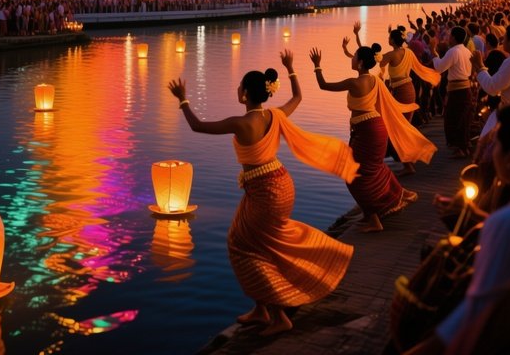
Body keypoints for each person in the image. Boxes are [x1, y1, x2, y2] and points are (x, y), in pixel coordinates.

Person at [167, 49, 358, 337]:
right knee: (250, 243)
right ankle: (261, 309)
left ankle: (279, 314)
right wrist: (291, 68)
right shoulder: (275, 115)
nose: (238, 89)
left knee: (245, 246)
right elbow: (298, 98)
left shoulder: (241, 123)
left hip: (266, 192)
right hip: (276, 185)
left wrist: (183, 99)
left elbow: (197, 126)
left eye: (240, 86)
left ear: (244, 94)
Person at [402, 103, 510, 355]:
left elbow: (476, 313)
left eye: (496, 144)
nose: (491, 150)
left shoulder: (508, 222)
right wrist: (476, 218)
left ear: (509, 160)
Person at [309, 44, 436, 232]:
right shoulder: (376, 81)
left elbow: (323, 85)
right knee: (374, 168)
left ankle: (374, 219)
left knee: (354, 176)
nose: (352, 60)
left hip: (367, 131)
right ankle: (396, 196)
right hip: (376, 128)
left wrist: (317, 65)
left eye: (354, 57)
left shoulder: (354, 83)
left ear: (360, 63)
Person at [379, 28, 441, 174]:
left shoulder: (391, 55)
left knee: (398, 129)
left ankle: (408, 163)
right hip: (409, 89)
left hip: (401, 92)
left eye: (389, 37)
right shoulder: (409, 52)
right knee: (402, 127)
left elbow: (371, 60)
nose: (388, 38)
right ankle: (408, 161)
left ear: (393, 40)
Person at [430, 26, 474, 158]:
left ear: (454, 37)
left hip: (457, 90)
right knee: (462, 118)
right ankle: (463, 146)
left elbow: (439, 68)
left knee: (454, 119)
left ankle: (461, 148)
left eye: (450, 35)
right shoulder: (466, 51)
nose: (448, 38)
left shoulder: (453, 51)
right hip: (465, 88)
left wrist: (434, 53)